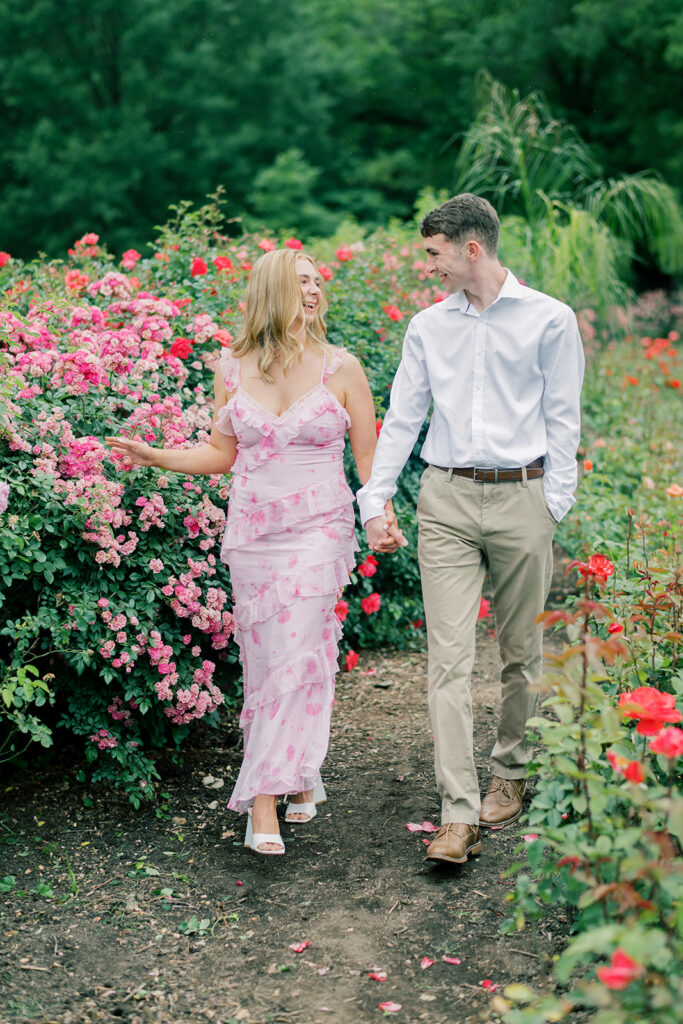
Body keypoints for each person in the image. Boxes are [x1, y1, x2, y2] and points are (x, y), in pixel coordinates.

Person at [107, 248, 402, 855]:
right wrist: (158, 455)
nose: (315, 290)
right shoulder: (232, 368)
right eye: (302, 281)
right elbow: (222, 455)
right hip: (254, 536)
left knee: (297, 646)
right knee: (274, 661)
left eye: (319, 281)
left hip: (320, 528)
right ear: (273, 290)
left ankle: (263, 799)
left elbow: (371, 464)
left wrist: (380, 518)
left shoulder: (343, 369)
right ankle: (299, 771)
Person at [358, 194, 584, 865]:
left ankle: (510, 775)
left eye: (433, 253)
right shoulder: (428, 328)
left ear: (470, 249)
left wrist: (553, 504)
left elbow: (563, 416)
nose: (429, 266)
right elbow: (402, 418)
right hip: (446, 500)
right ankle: (456, 813)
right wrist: (375, 500)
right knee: (446, 662)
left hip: (523, 497)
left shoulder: (549, 319)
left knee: (521, 653)